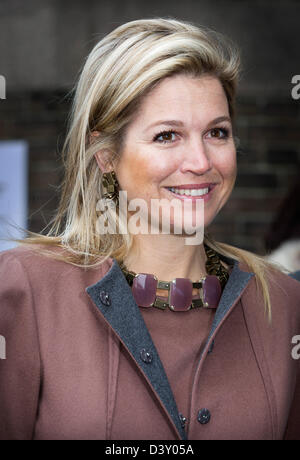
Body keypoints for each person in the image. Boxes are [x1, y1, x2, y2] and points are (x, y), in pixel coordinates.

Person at [0, 18, 300, 441]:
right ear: (105, 155)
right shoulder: (24, 291)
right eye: (167, 136)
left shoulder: (284, 305)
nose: (200, 161)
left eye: (217, 132)